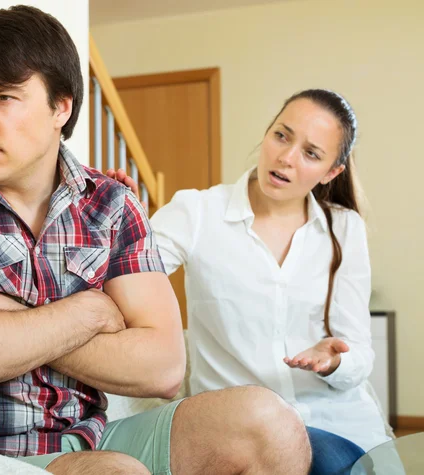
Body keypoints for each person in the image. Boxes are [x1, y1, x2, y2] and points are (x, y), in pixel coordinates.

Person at [0, 5, 311, 474]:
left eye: (3, 98)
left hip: (90, 436)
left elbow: (163, 367)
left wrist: (20, 320)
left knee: (272, 425)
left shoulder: (111, 204)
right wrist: (89, 312)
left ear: (60, 107)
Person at [109, 88, 391, 473]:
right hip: (243, 426)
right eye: (282, 135)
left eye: (311, 153)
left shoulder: (344, 228)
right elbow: (121, 275)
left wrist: (335, 360)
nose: (286, 157)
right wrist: (118, 220)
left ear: (331, 173)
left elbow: (359, 352)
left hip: (339, 418)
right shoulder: (197, 212)